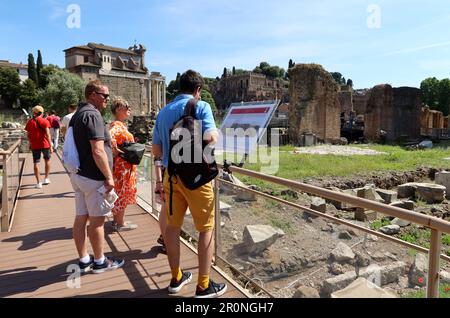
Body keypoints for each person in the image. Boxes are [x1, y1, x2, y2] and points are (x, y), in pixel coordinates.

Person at [152, 70, 227, 298]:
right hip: (196, 177)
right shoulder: (200, 106)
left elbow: (156, 150)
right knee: (205, 229)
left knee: (172, 228)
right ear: (198, 90)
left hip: (171, 176)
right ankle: (203, 286)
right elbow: (212, 138)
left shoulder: (163, 112)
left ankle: (176, 278)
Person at [69, 80, 124, 274]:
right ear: (92, 94)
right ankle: (100, 262)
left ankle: (84, 260)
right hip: (93, 177)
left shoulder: (78, 114)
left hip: (79, 175)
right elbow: (98, 150)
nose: (107, 100)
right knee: (98, 220)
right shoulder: (92, 115)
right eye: (104, 95)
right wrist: (109, 177)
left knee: (81, 217)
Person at [109, 97, 138, 232]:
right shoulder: (116, 126)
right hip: (122, 167)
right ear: (119, 108)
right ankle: (120, 224)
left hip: (122, 166)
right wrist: (116, 151)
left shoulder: (119, 125)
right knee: (121, 192)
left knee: (119, 192)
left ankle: (117, 221)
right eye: (127, 107)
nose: (129, 109)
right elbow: (109, 137)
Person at [25, 105, 53, 189]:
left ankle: (38, 183)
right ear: (42, 112)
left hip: (35, 145)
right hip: (45, 144)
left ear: (34, 113)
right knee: (47, 160)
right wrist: (51, 145)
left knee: (36, 163)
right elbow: (48, 134)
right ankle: (46, 178)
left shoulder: (30, 122)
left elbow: (28, 135)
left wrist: (31, 143)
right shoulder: (45, 121)